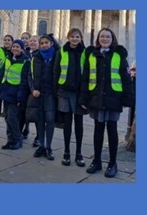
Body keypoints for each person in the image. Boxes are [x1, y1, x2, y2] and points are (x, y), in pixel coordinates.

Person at [79, 28, 134, 178]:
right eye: (102, 36)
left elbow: (126, 78)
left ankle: (112, 163)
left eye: (107, 36)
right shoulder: (91, 55)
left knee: (112, 131)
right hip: (96, 98)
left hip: (113, 98)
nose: (104, 38)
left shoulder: (119, 55)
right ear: (98, 39)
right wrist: (84, 98)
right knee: (98, 130)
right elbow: (85, 79)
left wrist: (127, 98)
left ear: (113, 38)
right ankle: (96, 161)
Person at [53, 28, 87, 167]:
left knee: (79, 124)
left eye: (77, 36)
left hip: (80, 93)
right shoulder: (61, 51)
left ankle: (79, 153)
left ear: (81, 38)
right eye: (72, 36)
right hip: (65, 91)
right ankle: (66, 152)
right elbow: (56, 71)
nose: (74, 39)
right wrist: (56, 90)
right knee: (67, 123)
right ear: (68, 37)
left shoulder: (86, 52)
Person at [0, 39, 30, 150]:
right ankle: (10, 140)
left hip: (16, 94)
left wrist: (21, 97)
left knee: (12, 118)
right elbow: (0, 75)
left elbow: (24, 81)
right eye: (14, 47)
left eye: (17, 47)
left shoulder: (26, 61)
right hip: (6, 92)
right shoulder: (8, 59)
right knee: (7, 117)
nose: (15, 49)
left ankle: (17, 139)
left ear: (22, 49)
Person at [31, 34, 59, 160]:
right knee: (40, 120)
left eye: (46, 43)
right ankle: (41, 145)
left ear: (51, 43)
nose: (44, 45)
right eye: (41, 43)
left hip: (51, 94)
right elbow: (29, 76)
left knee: (50, 119)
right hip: (39, 94)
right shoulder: (35, 57)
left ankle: (49, 146)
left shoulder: (57, 56)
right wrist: (33, 89)